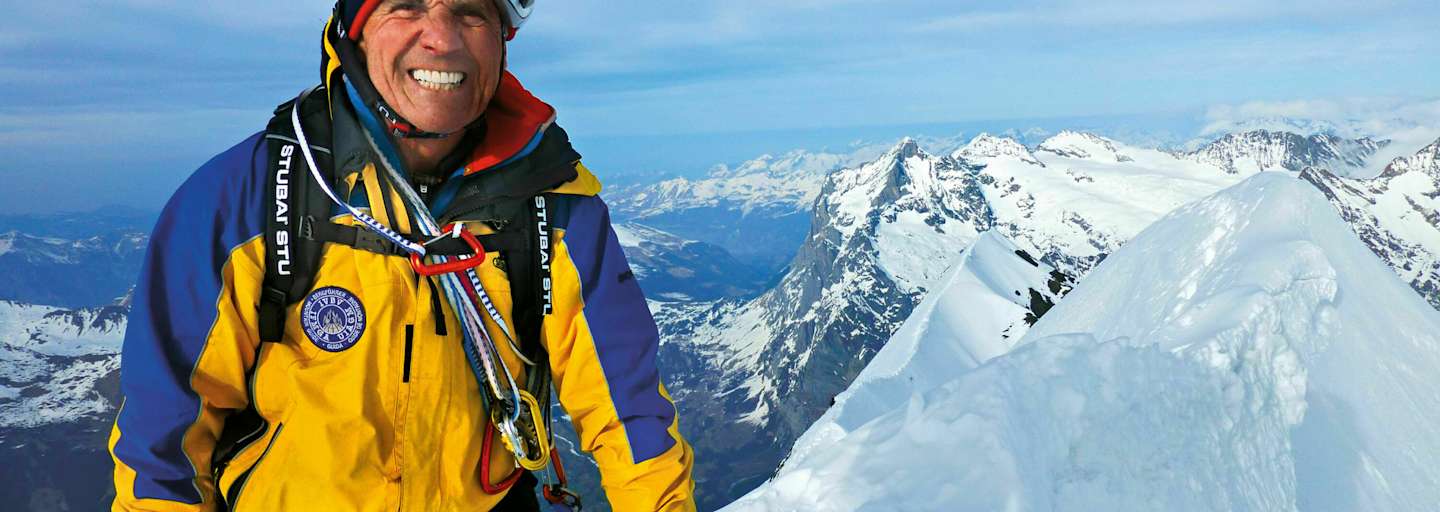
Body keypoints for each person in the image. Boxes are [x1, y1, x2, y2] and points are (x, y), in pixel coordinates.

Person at [107, 1, 696, 510]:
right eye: (405, 6)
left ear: (501, 40)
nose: (441, 36)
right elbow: (166, 439)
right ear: (356, 32)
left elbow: (628, 415)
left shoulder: (555, 207)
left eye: (470, 10)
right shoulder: (241, 202)